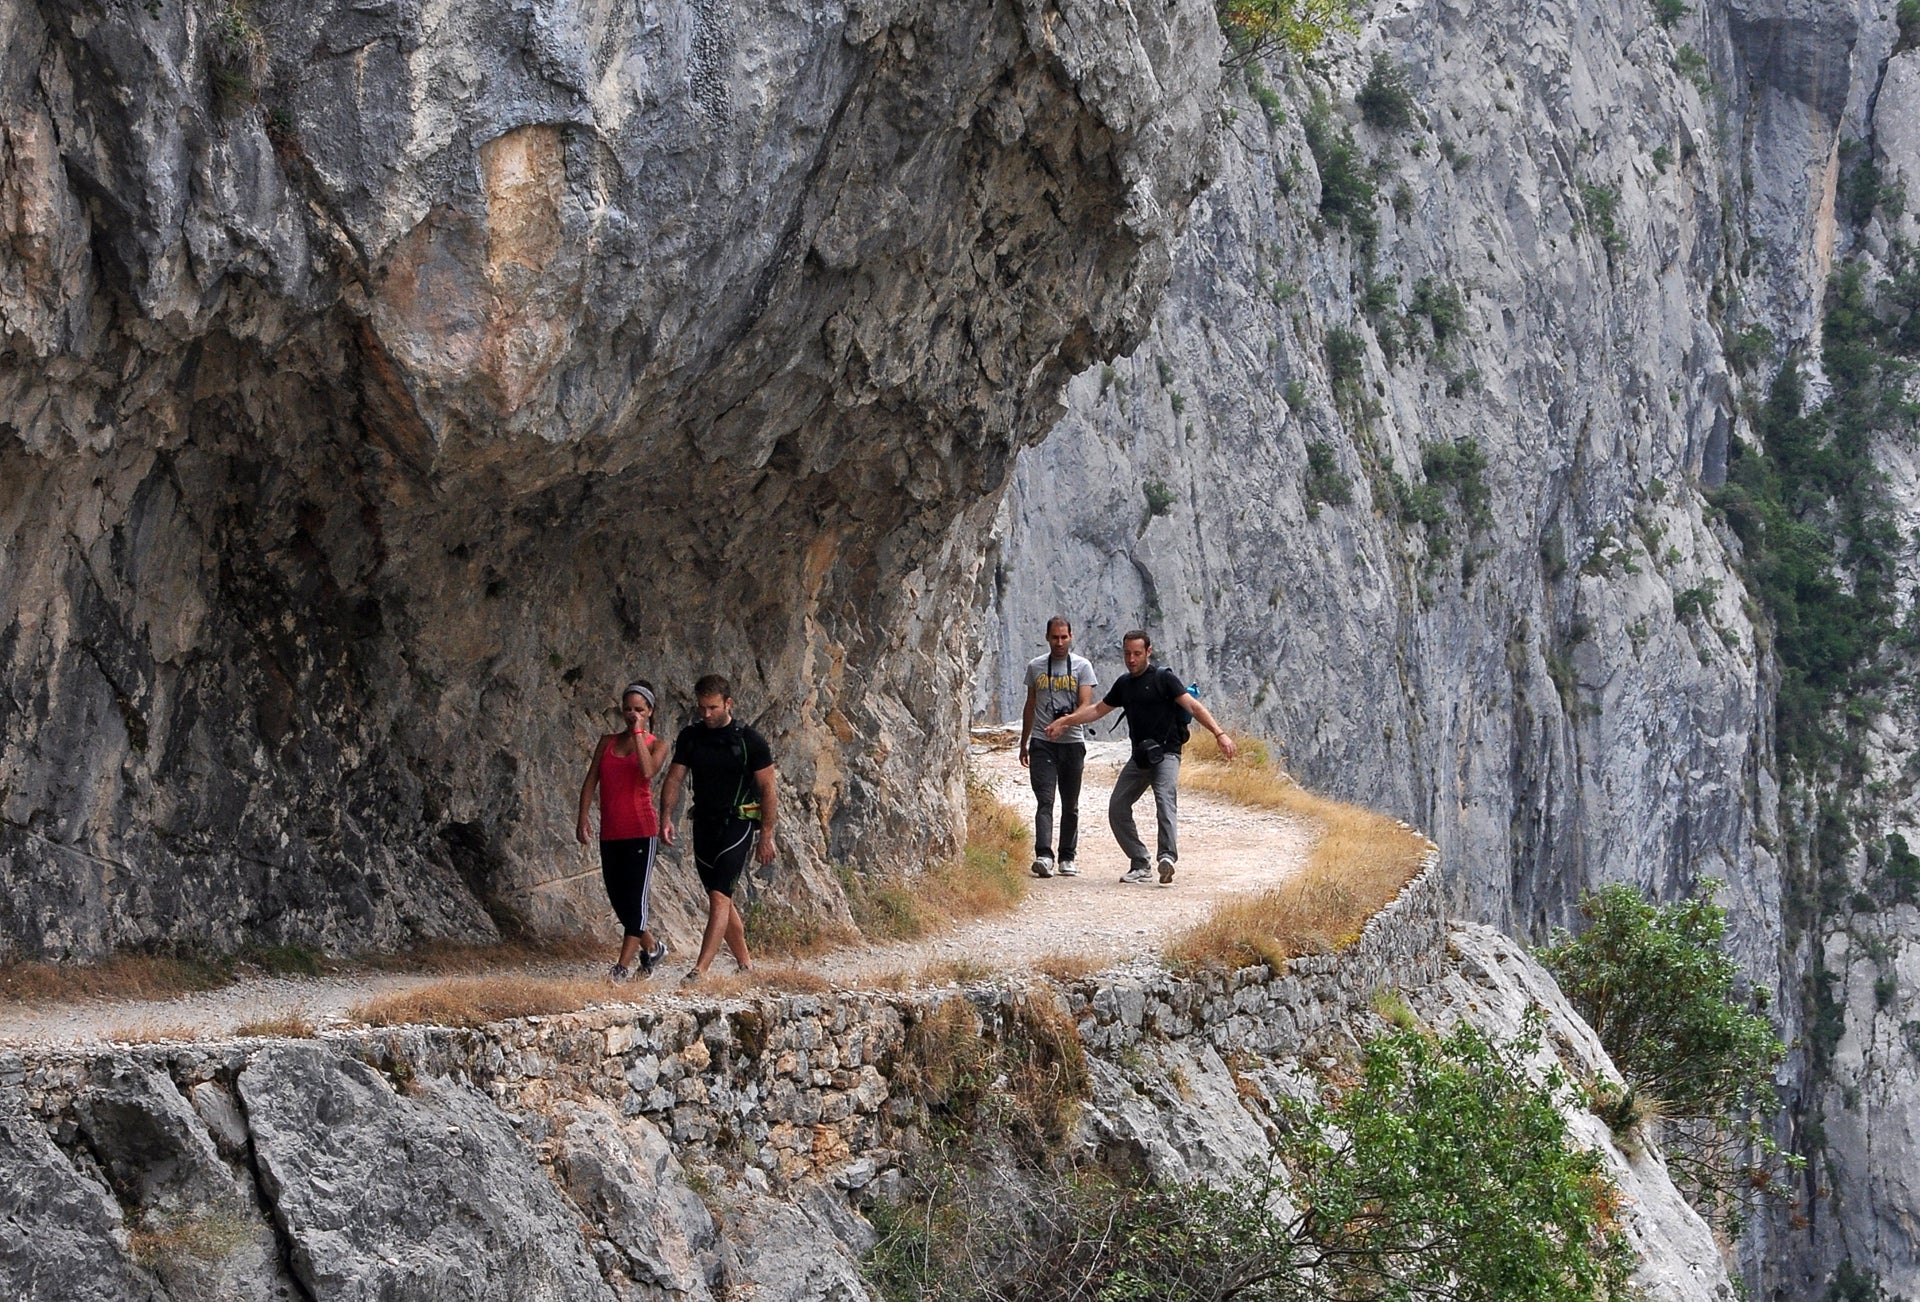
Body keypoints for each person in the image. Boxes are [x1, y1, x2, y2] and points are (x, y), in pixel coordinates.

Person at [1044, 630, 1236, 885]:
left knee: (1164, 799)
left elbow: (1193, 706)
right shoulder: (1124, 684)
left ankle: (1166, 857)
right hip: (1140, 757)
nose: (1131, 659)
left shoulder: (1163, 678)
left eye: (1136, 653)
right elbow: (1098, 710)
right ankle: (1140, 861)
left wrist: (1219, 734)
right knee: (1117, 807)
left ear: (1148, 651)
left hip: (1167, 752)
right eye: (1127, 654)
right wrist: (1066, 721)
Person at [658, 674, 778, 982]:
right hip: (704, 825)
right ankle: (746, 965)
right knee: (719, 895)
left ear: (728, 704)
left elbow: (767, 790)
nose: (706, 714)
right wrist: (666, 817)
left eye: (712, 707)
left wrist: (766, 835)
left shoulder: (750, 740)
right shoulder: (691, 737)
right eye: (701, 708)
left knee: (719, 896)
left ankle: (699, 970)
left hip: (737, 824)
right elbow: (674, 778)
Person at [576, 681, 672, 980]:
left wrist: (639, 733)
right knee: (618, 899)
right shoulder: (606, 742)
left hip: (641, 829)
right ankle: (654, 947)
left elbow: (647, 771)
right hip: (611, 830)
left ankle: (622, 966)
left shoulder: (658, 744)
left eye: (639, 709)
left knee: (635, 900)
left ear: (649, 711)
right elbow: (592, 779)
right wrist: (582, 816)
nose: (632, 714)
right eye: (628, 709)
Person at [1019, 616, 1097, 878]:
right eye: (1055, 637)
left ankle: (1067, 856)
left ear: (1071, 637)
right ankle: (1043, 854)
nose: (1060, 642)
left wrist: (1065, 723)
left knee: (1070, 802)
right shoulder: (1036, 667)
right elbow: (1030, 704)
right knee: (1045, 799)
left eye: (1064, 637)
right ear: (1047, 638)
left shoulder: (1082, 667)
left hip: (1072, 742)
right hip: (1042, 743)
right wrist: (1024, 742)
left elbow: (1086, 704)